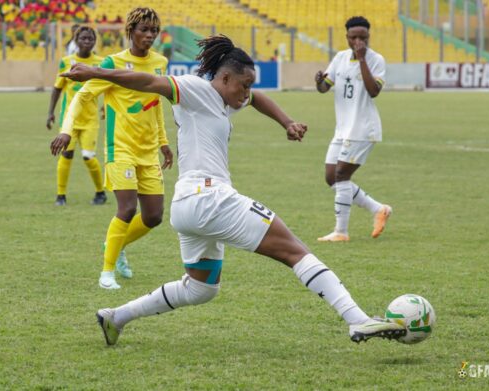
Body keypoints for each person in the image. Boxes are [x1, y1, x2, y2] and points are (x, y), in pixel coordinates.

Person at [61, 34, 406, 346]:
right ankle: (358, 320)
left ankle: (115, 317)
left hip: (188, 207)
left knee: (200, 288)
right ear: (223, 78)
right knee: (295, 250)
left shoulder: (226, 98)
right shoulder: (195, 89)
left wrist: (287, 123)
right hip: (210, 198)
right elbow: (149, 80)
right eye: (243, 84)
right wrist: (97, 72)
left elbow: (256, 100)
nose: (246, 92)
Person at [51, 7, 173, 290]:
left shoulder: (160, 62)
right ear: (130, 31)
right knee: (127, 208)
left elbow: (155, 104)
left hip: (148, 150)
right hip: (120, 149)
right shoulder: (111, 62)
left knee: (154, 216)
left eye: (154, 31)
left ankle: (115, 244)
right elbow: (81, 97)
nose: (150, 36)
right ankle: (106, 273)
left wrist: (164, 143)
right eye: (144, 30)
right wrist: (66, 131)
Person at [314, 16, 392, 242]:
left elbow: (373, 91)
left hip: (363, 128)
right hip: (342, 129)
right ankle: (379, 209)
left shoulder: (376, 60)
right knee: (332, 178)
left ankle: (341, 231)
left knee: (341, 175)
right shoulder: (339, 58)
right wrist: (319, 81)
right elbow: (323, 88)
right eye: (353, 37)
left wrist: (362, 60)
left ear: (369, 37)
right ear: (346, 37)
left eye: (363, 37)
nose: (358, 41)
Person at [46, 26, 107, 206]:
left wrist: (105, 106)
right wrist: (50, 112)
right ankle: (61, 195)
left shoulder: (101, 63)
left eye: (90, 39)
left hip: (90, 120)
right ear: (76, 40)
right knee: (66, 155)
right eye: (83, 38)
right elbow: (57, 88)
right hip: (69, 120)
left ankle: (100, 193)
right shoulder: (66, 61)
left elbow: (110, 87)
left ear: (95, 41)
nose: (87, 42)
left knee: (88, 156)